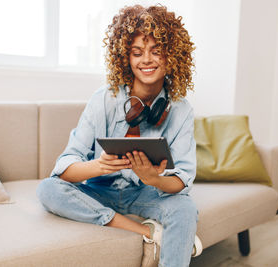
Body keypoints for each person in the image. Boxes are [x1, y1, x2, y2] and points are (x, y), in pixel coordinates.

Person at [37, 4, 201, 267]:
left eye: (156, 52)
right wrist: (98, 166)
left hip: (145, 192)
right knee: (46, 188)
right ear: (126, 57)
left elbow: (182, 180)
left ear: (172, 57)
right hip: (98, 191)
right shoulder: (104, 99)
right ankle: (147, 233)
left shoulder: (181, 110)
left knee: (185, 208)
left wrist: (154, 179)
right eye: (137, 53)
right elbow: (63, 169)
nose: (146, 60)